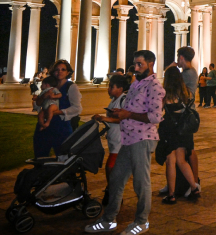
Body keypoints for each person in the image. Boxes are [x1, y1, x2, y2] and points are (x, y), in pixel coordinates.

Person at [85, 50, 165, 235]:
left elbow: (155, 116)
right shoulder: (137, 84)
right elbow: (131, 110)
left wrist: (127, 114)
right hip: (128, 139)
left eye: (140, 64)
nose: (136, 68)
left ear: (151, 64)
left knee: (141, 182)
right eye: (135, 64)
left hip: (142, 139)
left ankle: (142, 221)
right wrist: (119, 113)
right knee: (116, 179)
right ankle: (108, 219)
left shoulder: (154, 86)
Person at [157, 66, 200, 204]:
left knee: (171, 160)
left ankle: (171, 194)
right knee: (182, 160)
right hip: (184, 130)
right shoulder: (186, 92)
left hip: (170, 130)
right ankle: (194, 187)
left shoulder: (165, 94)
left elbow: (158, 111)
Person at [92, 74, 129, 206]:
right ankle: (113, 191)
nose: (109, 89)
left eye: (111, 87)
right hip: (114, 140)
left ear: (120, 88)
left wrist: (105, 119)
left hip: (120, 140)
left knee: (110, 167)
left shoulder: (123, 100)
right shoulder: (114, 100)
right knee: (113, 169)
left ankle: (114, 192)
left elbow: (125, 119)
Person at [33, 60, 82, 158]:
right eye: (57, 70)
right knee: (40, 157)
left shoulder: (71, 87)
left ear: (68, 72)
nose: (59, 72)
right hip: (44, 127)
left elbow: (77, 108)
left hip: (61, 127)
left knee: (63, 158)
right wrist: (43, 97)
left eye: (63, 69)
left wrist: (56, 112)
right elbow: (36, 106)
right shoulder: (48, 85)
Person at [169, 46, 200, 196]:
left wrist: (169, 71)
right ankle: (187, 182)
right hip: (185, 114)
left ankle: (193, 182)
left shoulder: (188, 73)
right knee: (187, 149)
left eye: (178, 57)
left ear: (181, 57)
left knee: (188, 149)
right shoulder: (190, 72)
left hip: (184, 115)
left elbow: (177, 89)